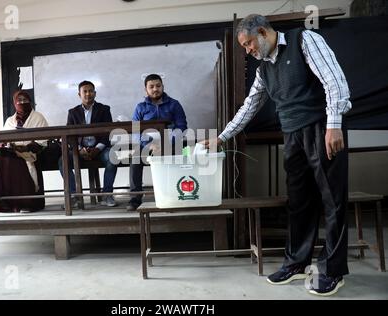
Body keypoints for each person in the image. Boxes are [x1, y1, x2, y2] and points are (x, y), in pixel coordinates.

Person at [201, 14, 351, 296]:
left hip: (321, 127)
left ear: (261, 32)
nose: (248, 51)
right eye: (245, 48)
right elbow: (249, 107)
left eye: (248, 44)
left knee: (332, 199)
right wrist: (221, 137)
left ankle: (333, 271)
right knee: (299, 201)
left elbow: (334, 81)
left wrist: (334, 124)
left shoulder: (304, 40)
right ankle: (296, 263)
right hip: (293, 134)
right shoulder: (263, 70)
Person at [127, 74, 188, 211]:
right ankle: (135, 198)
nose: (155, 89)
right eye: (151, 87)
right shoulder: (140, 107)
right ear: (146, 90)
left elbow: (182, 127)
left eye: (158, 86)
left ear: (163, 87)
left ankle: (174, 194)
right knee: (135, 158)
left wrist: (167, 144)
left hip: (170, 144)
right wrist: (148, 146)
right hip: (148, 146)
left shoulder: (174, 104)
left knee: (177, 155)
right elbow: (136, 132)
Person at [0, 90, 49, 212]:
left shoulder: (38, 117)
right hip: (13, 151)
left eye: (25, 100)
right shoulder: (10, 120)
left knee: (18, 161)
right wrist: (9, 146)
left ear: (30, 101)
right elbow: (4, 140)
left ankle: (26, 202)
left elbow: (43, 142)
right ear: (14, 103)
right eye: (19, 100)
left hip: (31, 154)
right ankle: (2, 200)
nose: (22, 102)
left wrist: (26, 148)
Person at [58, 80, 118, 208]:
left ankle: (107, 194)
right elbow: (69, 136)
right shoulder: (73, 112)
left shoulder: (104, 109)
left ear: (95, 93)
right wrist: (79, 149)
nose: (88, 94)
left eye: (90, 91)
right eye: (84, 91)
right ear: (79, 94)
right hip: (79, 150)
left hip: (100, 149)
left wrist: (97, 148)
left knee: (113, 157)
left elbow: (108, 133)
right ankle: (74, 196)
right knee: (63, 160)